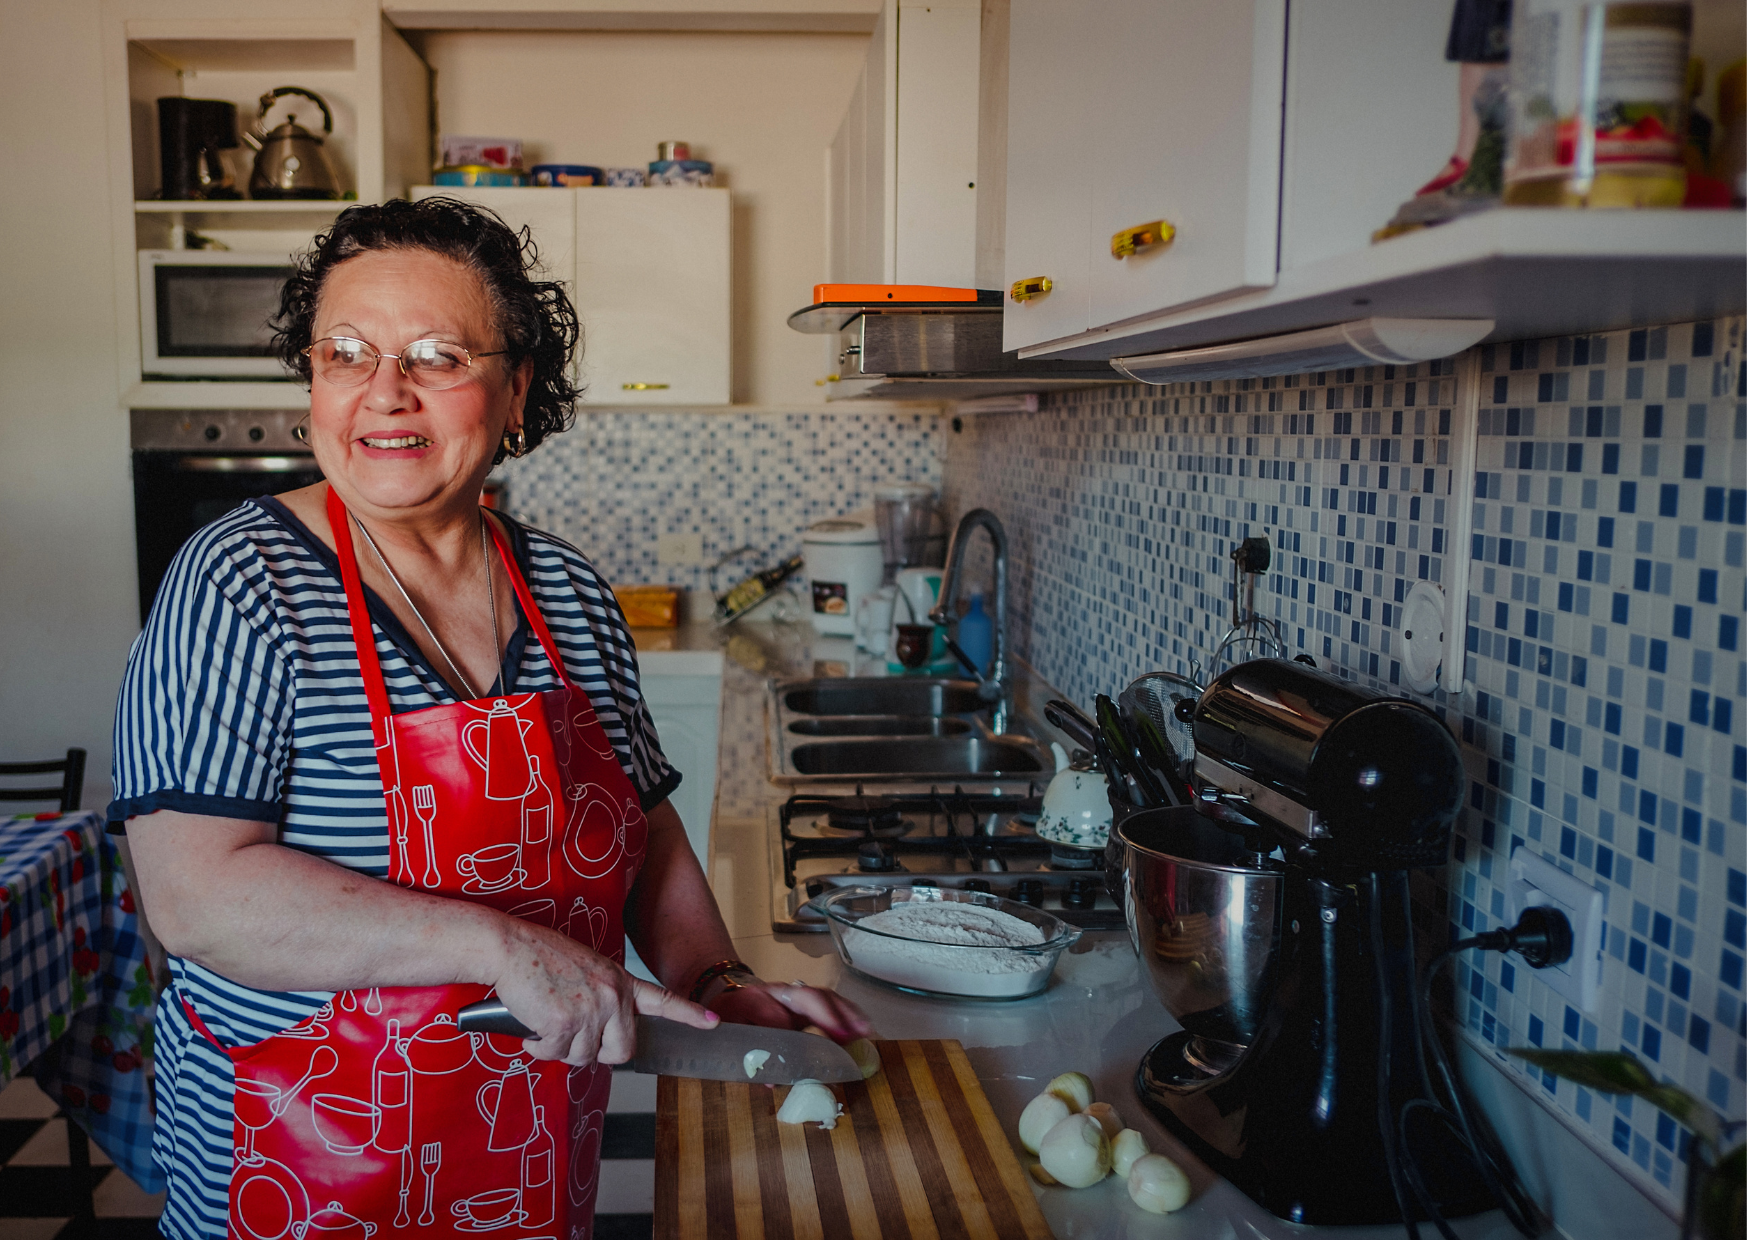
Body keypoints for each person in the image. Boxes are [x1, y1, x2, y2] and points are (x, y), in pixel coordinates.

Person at [112, 197, 869, 1239]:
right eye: (345, 352)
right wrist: (502, 948)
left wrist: (715, 980)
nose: (385, 391)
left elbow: (642, 835)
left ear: (515, 393)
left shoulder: (568, 593)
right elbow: (194, 896)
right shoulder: (241, 583)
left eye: (435, 355)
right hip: (300, 1168)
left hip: (525, 1149)